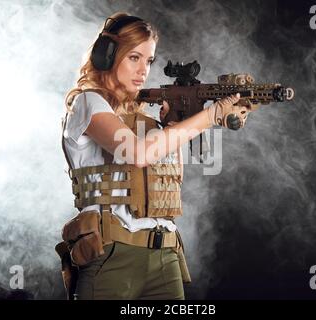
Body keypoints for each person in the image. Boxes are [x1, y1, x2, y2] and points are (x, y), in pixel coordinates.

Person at [56, 12, 247, 300]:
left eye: (148, 61)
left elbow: (184, 172)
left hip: (166, 255)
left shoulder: (145, 120)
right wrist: (210, 116)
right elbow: (138, 154)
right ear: (106, 55)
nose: (143, 70)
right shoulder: (86, 103)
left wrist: (175, 125)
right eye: (134, 57)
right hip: (112, 254)